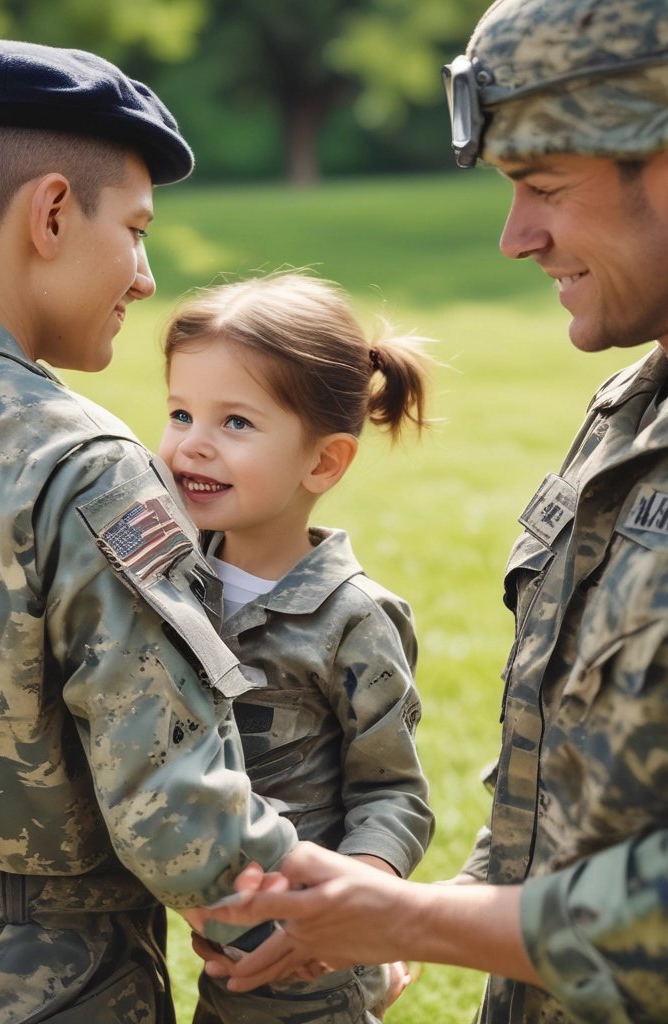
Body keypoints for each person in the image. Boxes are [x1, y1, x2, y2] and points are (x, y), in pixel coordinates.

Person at [201, 1, 668, 1022]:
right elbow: (568, 786)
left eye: (541, 188)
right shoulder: (640, 406)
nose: (515, 238)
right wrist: (405, 905)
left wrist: (412, 920)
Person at [0, 40, 301, 1024]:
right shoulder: (79, 464)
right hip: (47, 991)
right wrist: (340, 945)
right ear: (49, 214)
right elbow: (181, 821)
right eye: (133, 230)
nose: (142, 276)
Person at [156, 272, 436, 1023]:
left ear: (323, 462)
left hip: (314, 965)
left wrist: (354, 904)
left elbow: (392, 792)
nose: (193, 445)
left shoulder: (352, 619)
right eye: (180, 412)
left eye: (235, 424)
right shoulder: (160, 584)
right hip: (209, 943)